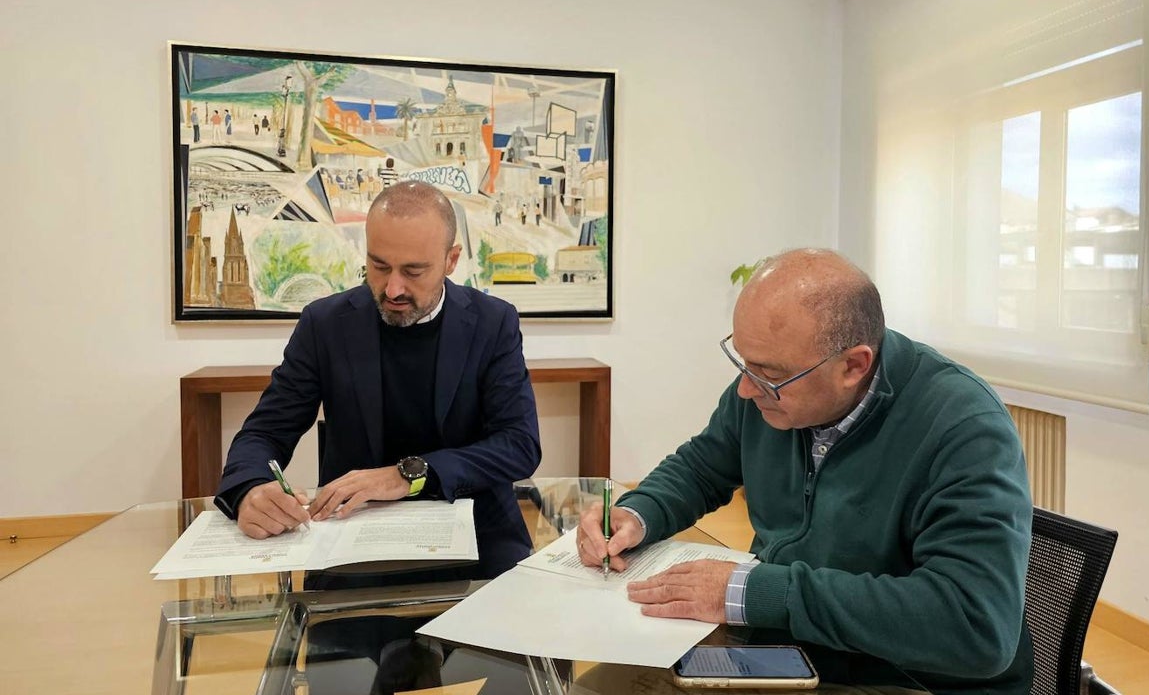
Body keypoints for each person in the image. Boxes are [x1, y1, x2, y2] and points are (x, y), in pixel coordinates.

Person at [576, 249, 1033, 695]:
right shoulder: (771, 391)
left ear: (853, 366)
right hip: (789, 646)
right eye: (742, 362)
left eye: (768, 374)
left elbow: (976, 624)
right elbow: (701, 467)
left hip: (901, 676)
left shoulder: (963, 427)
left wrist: (753, 592)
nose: (746, 388)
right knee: (593, 686)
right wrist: (637, 513)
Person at [216, 180, 542, 584]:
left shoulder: (493, 322)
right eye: (379, 265)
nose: (393, 289)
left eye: (414, 271)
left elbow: (519, 444)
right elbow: (264, 432)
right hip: (352, 543)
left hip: (478, 538)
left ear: (451, 260)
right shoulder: (326, 325)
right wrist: (250, 487)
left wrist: (407, 475)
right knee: (342, 642)